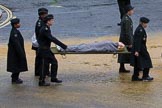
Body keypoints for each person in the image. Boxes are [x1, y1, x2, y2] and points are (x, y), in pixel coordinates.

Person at [37, 14, 67, 86]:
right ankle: (41, 81)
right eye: (52, 20)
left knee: (54, 62)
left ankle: (53, 78)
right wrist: (63, 45)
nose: (53, 22)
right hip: (44, 50)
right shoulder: (45, 29)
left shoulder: (46, 28)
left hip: (47, 49)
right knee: (44, 66)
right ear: (48, 21)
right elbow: (52, 38)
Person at [131, 17, 153, 81]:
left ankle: (135, 77)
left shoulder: (140, 29)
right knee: (147, 61)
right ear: (141, 23)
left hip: (140, 48)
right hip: (140, 49)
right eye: (145, 23)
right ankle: (145, 76)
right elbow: (137, 41)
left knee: (138, 63)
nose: (146, 25)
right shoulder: (140, 30)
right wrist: (137, 51)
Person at [7, 18, 28, 84]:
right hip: (15, 53)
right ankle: (14, 78)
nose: (19, 24)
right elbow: (17, 44)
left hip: (16, 52)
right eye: (18, 23)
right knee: (16, 65)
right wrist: (21, 53)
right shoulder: (14, 33)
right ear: (15, 25)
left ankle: (15, 77)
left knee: (17, 65)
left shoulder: (15, 31)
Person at [32, 8, 49, 76]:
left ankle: (39, 72)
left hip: (39, 43)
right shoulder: (40, 23)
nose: (46, 15)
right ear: (42, 15)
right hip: (40, 43)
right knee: (41, 58)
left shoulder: (42, 21)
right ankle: (41, 72)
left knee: (39, 58)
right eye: (45, 14)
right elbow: (41, 34)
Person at [118, 5, 134, 73]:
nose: (133, 12)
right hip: (126, 40)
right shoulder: (127, 20)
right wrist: (130, 42)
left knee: (122, 54)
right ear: (129, 11)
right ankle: (138, 68)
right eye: (132, 10)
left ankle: (121, 68)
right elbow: (127, 32)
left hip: (123, 39)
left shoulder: (124, 18)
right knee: (133, 53)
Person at [58, 41, 125, 53]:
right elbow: (113, 49)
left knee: (78, 47)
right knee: (78, 48)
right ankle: (62, 48)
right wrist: (119, 48)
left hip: (91, 46)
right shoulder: (111, 45)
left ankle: (62, 48)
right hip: (91, 47)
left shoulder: (110, 44)